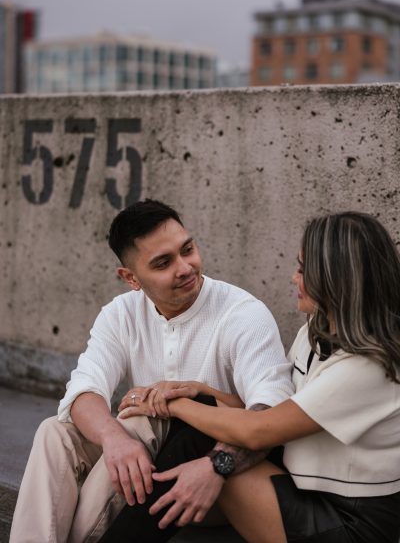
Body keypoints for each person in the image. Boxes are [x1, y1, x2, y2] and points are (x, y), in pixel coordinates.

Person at [10, 199, 293, 543]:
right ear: (130, 277)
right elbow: (85, 388)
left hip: (211, 481)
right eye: (163, 262)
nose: (185, 267)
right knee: (55, 432)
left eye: (187, 249)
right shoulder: (121, 314)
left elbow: (271, 414)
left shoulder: (243, 315)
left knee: (141, 420)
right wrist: (113, 439)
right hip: (145, 473)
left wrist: (215, 467)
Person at [119, 211, 400, 543]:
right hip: (304, 485)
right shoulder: (317, 328)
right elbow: (279, 413)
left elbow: (260, 431)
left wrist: (173, 404)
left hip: (349, 521)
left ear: (336, 279)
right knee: (204, 421)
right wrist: (200, 392)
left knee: (210, 454)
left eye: (302, 270)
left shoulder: (368, 364)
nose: (294, 279)